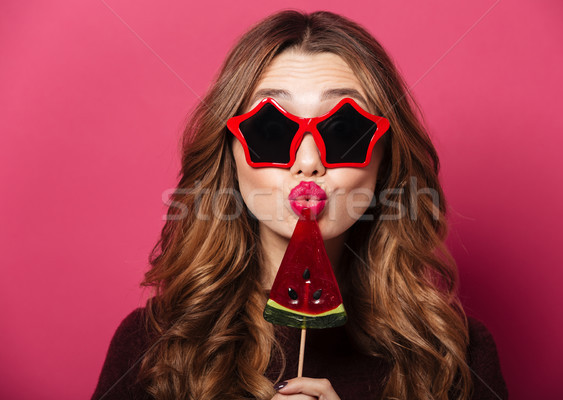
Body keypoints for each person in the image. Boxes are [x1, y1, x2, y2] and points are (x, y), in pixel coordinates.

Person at [91, 10, 507, 400]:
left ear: (385, 160)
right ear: (229, 156)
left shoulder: (455, 356)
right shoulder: (153, 349)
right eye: (271, 129)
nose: (308, 162)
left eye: (344, 129)